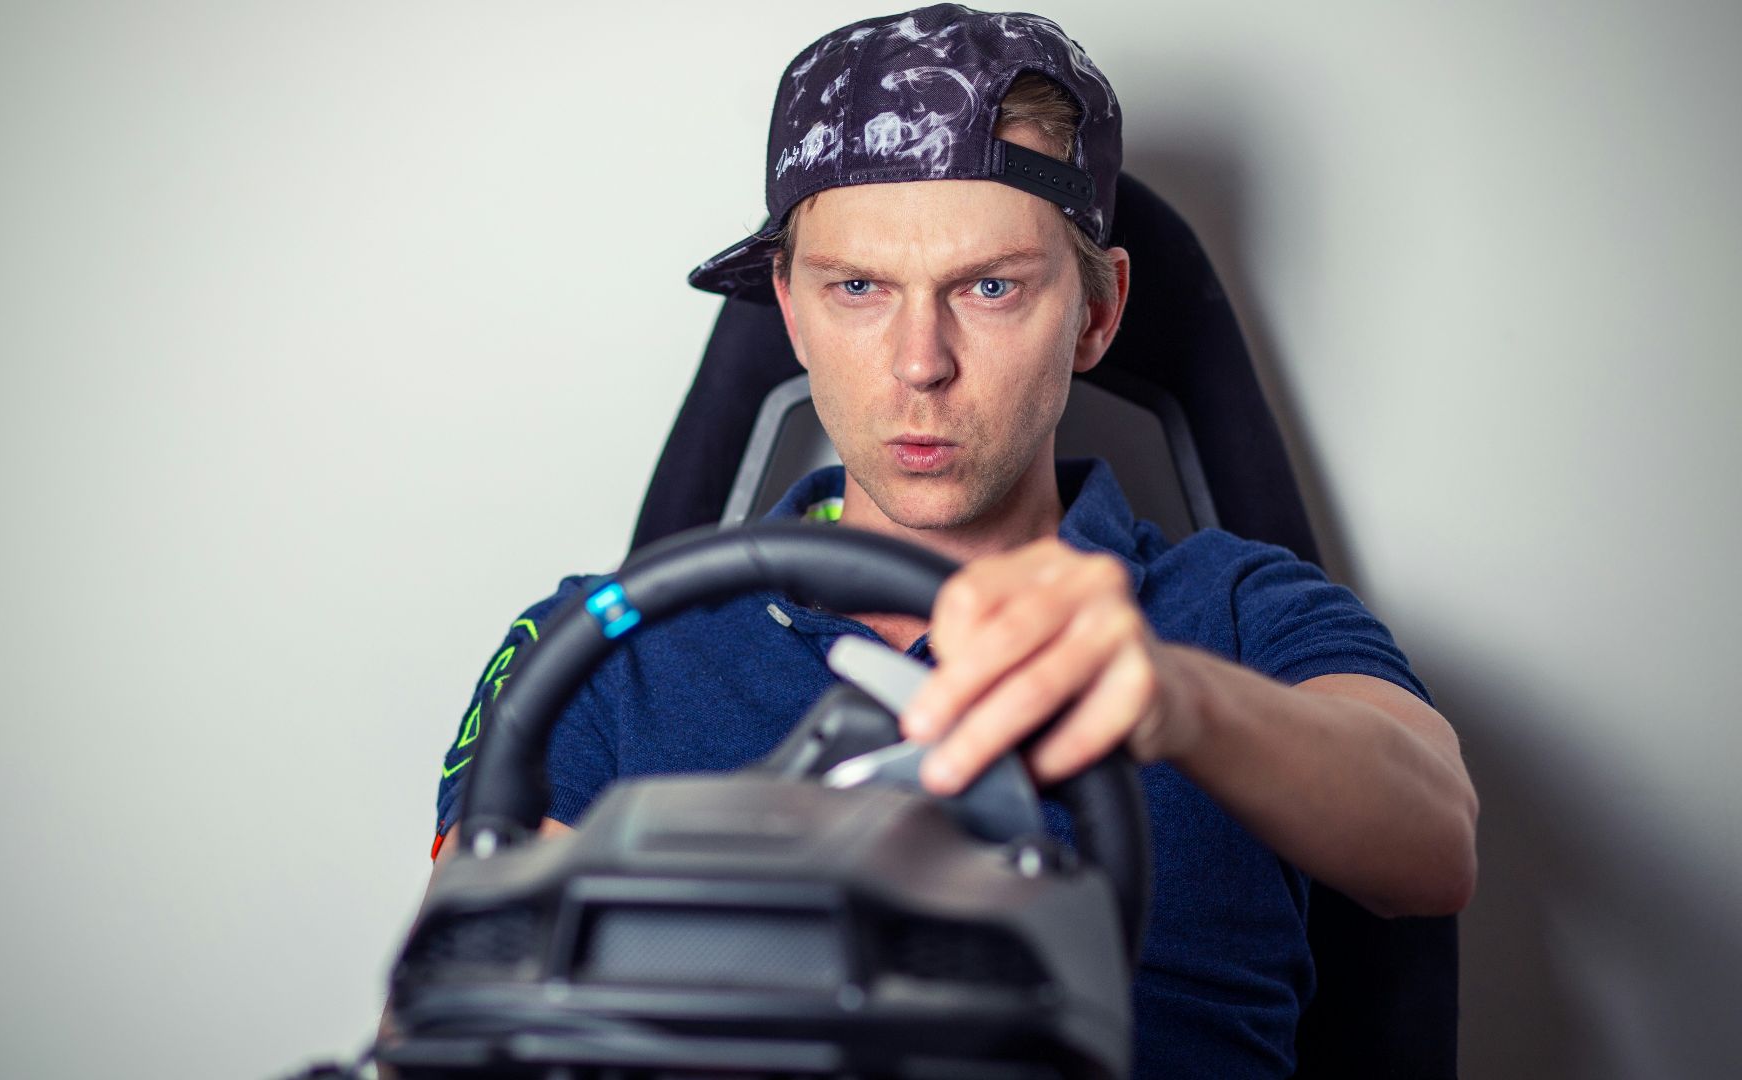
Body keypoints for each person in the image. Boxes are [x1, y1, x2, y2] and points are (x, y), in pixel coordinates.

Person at [421, 6, 1477, 1077]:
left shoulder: (1240, 612)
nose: (920, 362)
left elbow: (1434, 840)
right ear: (791, 312)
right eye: (860, 289)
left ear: (1098, 312)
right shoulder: (598, 648)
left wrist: (1180, 699)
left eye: (990, 287)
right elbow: (458, 1015)